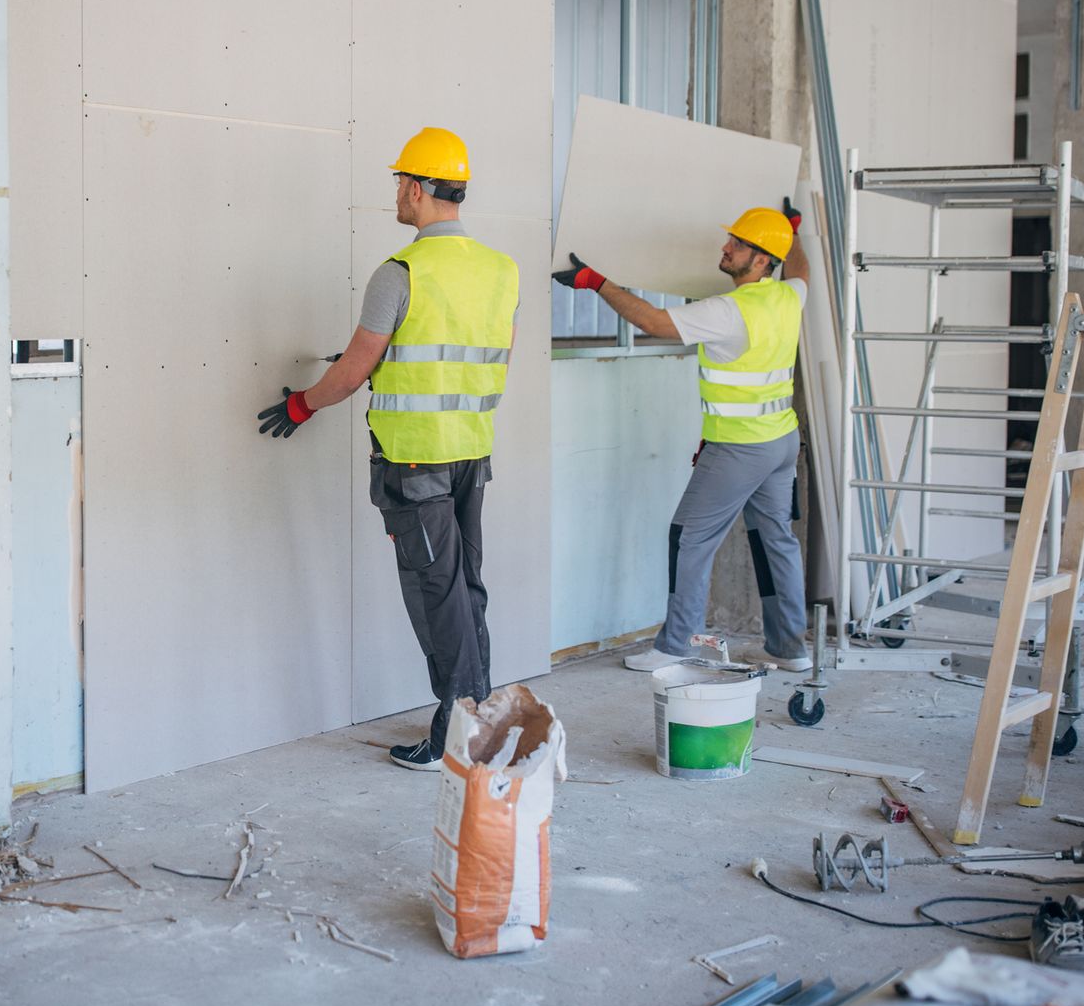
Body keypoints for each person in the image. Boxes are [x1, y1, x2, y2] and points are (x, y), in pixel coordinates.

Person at [257, 127, 520, 770]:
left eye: (401, 182)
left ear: (419, 188)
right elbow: (481, 359)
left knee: (437, 592)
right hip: (471, 452)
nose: (397, 194)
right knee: (465, 586)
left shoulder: (399, 272)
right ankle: (478, 713)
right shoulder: (501, 269)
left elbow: (354, 368)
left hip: (414, 461)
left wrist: (302, 404)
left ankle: (456, 730)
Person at [554, 201, 813, 672]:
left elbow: (653, 323)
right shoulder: (789, 296)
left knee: (689, 537)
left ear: (759, 261)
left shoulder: (729, 311)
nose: (725, 246)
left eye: (737, 244)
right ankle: (790, 646)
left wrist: (598, 283)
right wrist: (790, 232)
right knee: (775, 539)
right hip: (780, 441)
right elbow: (801, 268)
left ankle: (677, 646)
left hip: (739, 446)